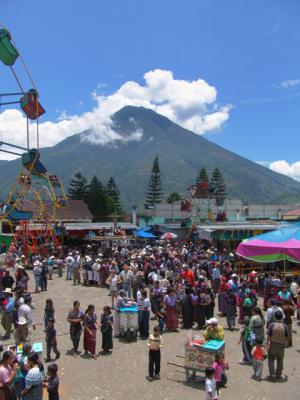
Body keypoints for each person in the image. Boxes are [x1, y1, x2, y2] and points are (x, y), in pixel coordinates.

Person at [267, 310, 288, 381]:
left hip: (273, 343)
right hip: (281, 345)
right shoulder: (284, 326)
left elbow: (269, 336)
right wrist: (285, 343)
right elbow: (286, 337)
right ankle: (279, 374)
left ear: (275, 317)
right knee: (280, 359)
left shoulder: (272, 325)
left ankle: (272, 374)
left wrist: (267, 343)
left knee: (271, 358)